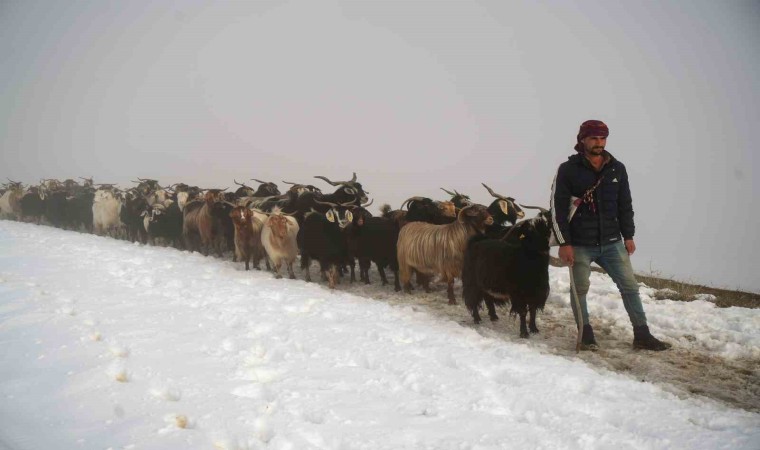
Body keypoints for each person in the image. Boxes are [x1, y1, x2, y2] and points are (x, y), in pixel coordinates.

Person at [550, 120, 671, 351]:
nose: (599, 143)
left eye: (603, 138)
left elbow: (625, 204)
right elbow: (557, 210)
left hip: (612, 242)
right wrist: (564, 243)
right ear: (582, 140)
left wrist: (629, 235)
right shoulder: (567, 169)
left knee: (630, 287)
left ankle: (642, 335)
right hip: (579, 244)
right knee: (579, 290)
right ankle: (585, 335)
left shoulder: (617, 168)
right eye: (594, 138)